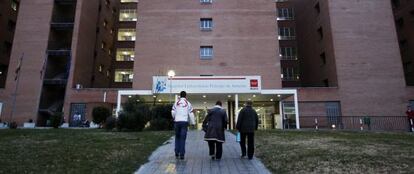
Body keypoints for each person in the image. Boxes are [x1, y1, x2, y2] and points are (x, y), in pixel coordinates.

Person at [171, 91, 195, 160]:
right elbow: (191, 114)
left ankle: (176, 152)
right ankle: (182, 155)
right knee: (183, 139)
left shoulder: (176, 103)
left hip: (177, 122)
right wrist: (192, 123)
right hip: (184, 122)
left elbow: (172, 112)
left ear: (180, 96)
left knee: (177, 137)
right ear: (185, 96)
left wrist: (175, 117)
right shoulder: (188, 103)